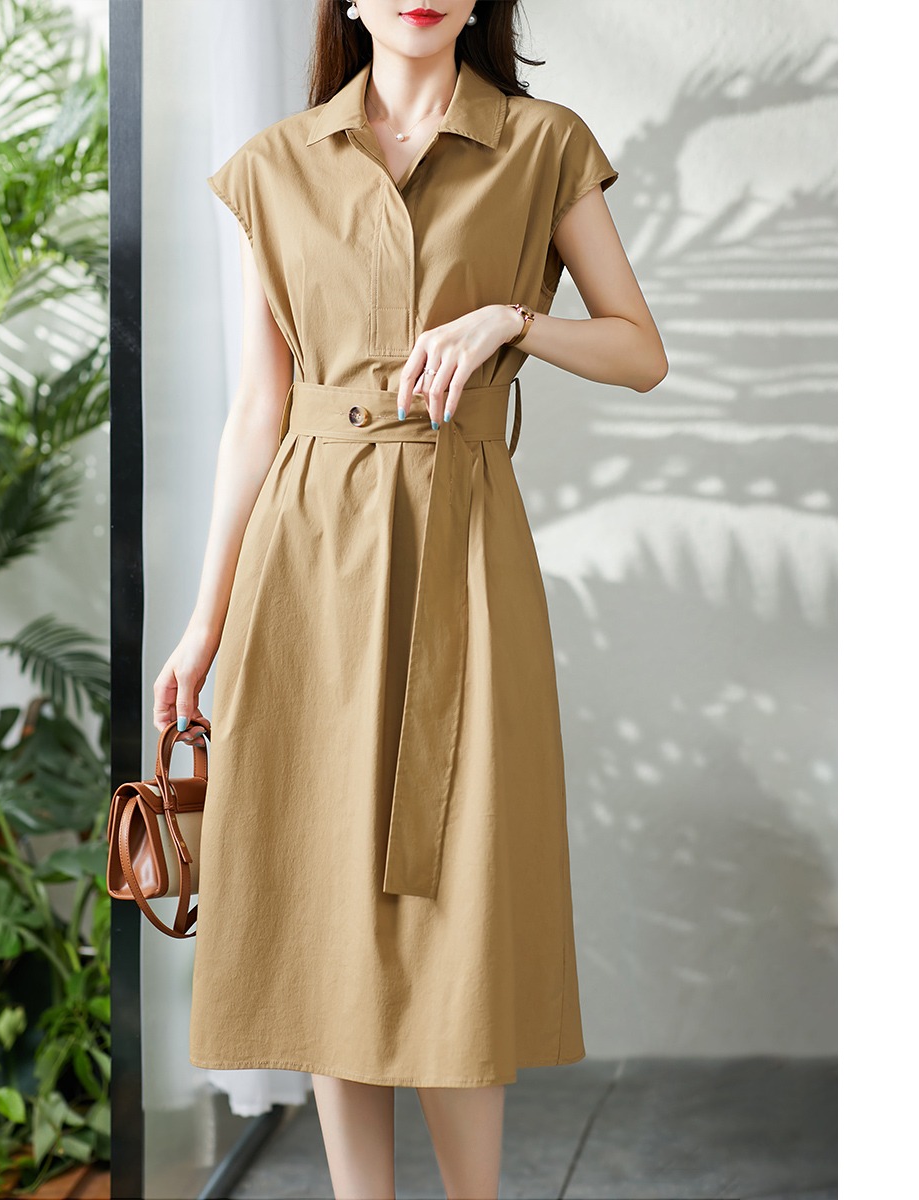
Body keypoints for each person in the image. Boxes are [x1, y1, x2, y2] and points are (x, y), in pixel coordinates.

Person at [154, 1, 667, 1195]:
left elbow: (640, 351)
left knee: (457, 899)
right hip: (307, 561)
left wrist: (514, 323)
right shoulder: (277, 165)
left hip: (463, 551)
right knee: (329, 895)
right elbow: (256, 412)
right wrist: (204, 621)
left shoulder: (542, 144)